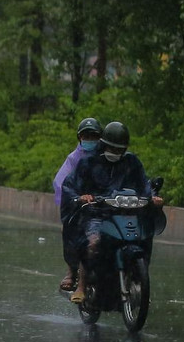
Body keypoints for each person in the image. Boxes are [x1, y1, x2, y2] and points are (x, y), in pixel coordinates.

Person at [61, 120, 161, 305]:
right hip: (97, 214)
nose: (115, 153)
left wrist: (152, 197)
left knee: (143, 237)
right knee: (92, 242)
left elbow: (144, 185)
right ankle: (82, 285)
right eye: (111, 148)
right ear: (104, 144)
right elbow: (69, 185)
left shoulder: (132, 163)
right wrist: (81, 197)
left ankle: (138, 280)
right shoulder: (88, 163)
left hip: (126, 213)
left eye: (119, 150)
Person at [53, 118, 100, 291]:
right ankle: (72, 271)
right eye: (86, 135)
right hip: (82, 204)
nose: (90, 139)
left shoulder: (107, 157)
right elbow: (62, 183)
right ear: (79, 137)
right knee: (73, 231)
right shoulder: (74, 159)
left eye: (93, 136)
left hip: (105, 202)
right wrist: (77, 197)